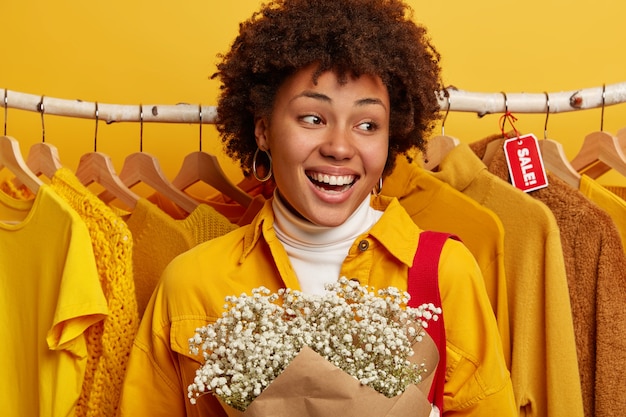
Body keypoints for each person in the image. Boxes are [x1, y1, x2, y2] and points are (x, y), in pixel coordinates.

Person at [118, 0, 517, 416]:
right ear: (263, 131)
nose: (340, 148)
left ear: (391, 137)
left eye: (367, 125)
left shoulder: (444, 273)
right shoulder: (190, 284)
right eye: (312, 118)